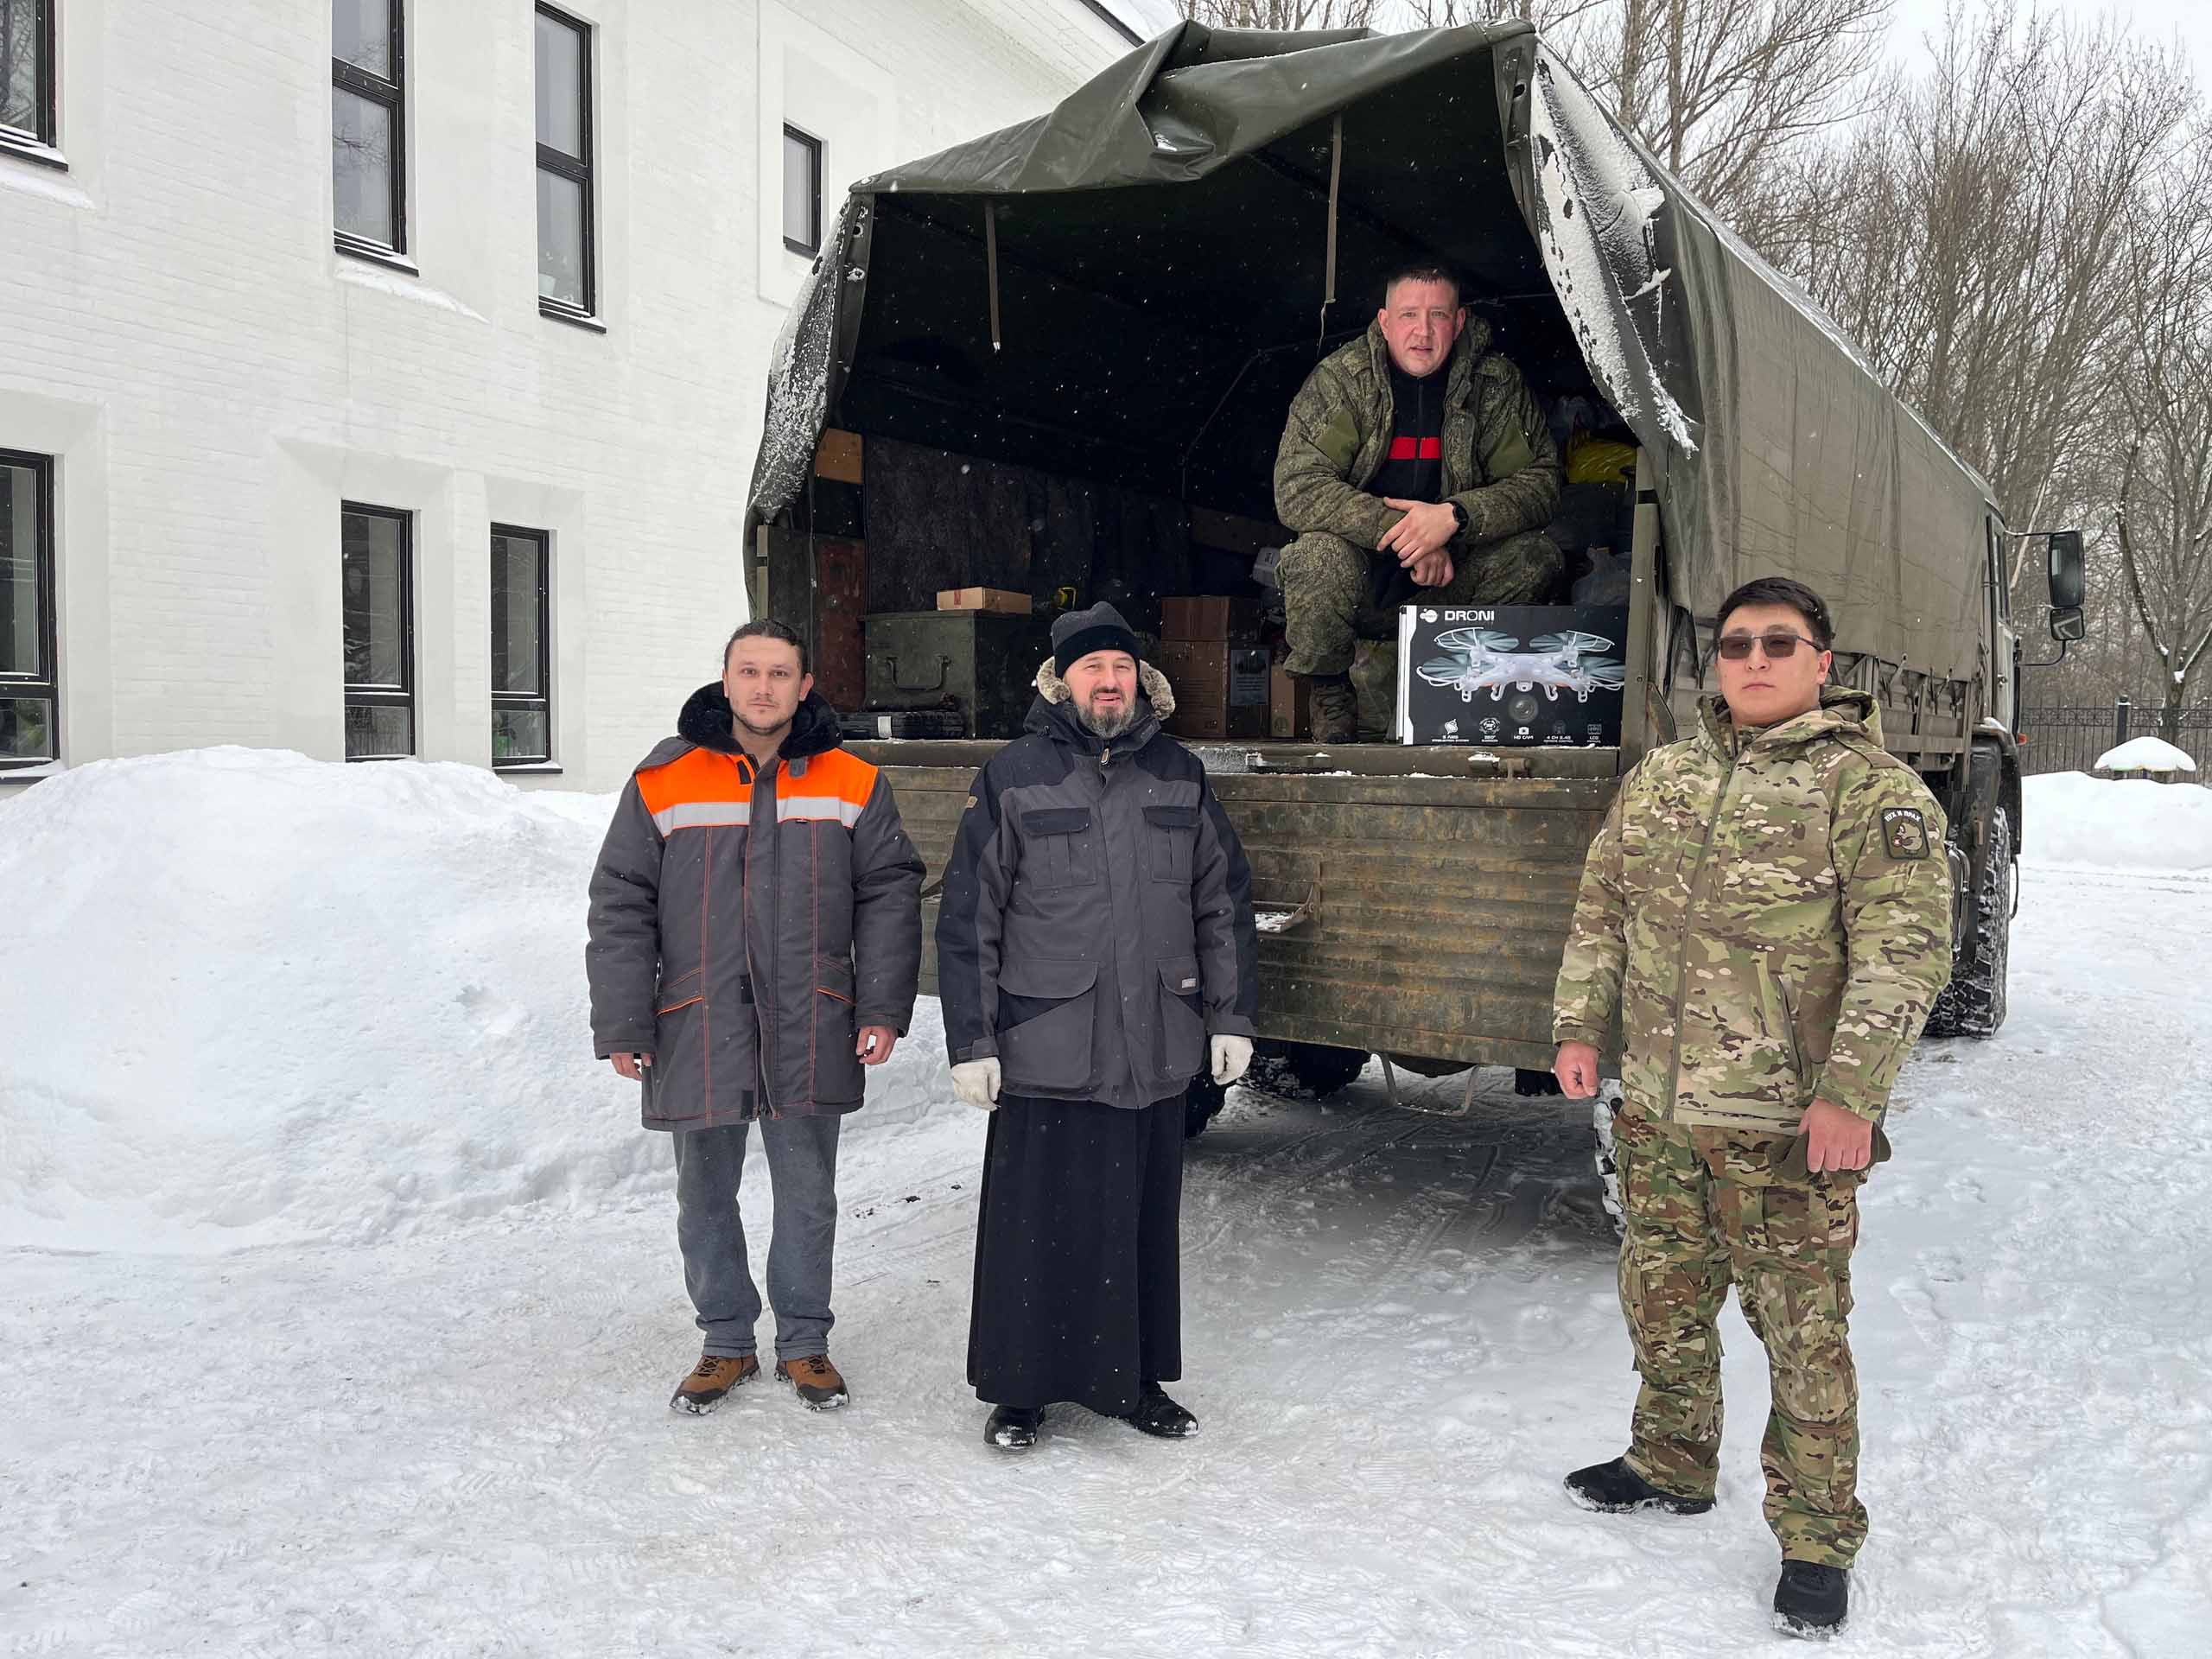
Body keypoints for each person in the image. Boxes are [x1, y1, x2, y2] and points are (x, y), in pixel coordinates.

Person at [1549, 577, 1954, 1637]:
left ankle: (1817, 1537)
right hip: (1663, 1111)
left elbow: (1903, 953)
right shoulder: (1665, 778)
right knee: (1662, 1297)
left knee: (1802, 1332)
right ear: (1714, 663)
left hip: (1785, 1123)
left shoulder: (1869, 790)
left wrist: (1851, 1096)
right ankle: (1672, 1462)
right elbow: (1604, 904)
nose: (1756, 660)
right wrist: (1580, 1026)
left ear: (1824, 661)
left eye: (1781, 642)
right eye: (1736, 645)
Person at [936, 602, 1260, 1452]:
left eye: (1120, 668)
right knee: (1032, 1228)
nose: (1107, 682)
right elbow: (970, 917)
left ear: (1139, 682)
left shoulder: (1180, 775)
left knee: (1137, 1227)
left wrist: (1230, 1018)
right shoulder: (1013, 776)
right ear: (1060, 681)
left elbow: (1220, 904)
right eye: (1091, 669)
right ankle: (1020, 1390)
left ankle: (1134, 1381)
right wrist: (972, 1042)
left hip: (1152, 1046)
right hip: (1046, 1044)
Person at [587, 619, 922, 1416]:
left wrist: (880, 1004)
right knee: (704, 1194)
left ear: (805, 685)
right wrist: (625, 1023)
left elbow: (889, 896)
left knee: (809, 1193)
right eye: (749, 672)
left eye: (780, 673)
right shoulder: (664, 779)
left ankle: (805, 1343)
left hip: (811, 1021)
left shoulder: (852, 780)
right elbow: (621, 903)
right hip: (697, 1021)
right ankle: (726, 1342)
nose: (763, 687)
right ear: (726, 679)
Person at [1274, 261, 1566, 742]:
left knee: (1535, 557)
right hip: (1362, 586)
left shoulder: (1493, 385)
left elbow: (1542, 483)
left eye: (1438, 315)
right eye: (1409, 315)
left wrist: (1454, 519)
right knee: (1314, 556)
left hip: (1453, 589)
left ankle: (1451, 689)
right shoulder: (1342, 382)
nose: (1423, 333)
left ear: (1461, 321)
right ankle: (1329, 691)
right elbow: (1298, 487)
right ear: (1385, 321)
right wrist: (1412, 536)